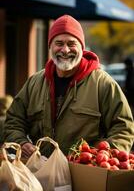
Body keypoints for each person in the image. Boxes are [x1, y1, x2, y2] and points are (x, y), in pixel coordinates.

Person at [4, 15, 134, 158]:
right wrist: (21, 142)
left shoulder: (103, 84)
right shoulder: (34, 83)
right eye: (59, 43)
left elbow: (123, 130)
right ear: (50, 47)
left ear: (82, 48)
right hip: (40, 172)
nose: (65, 50)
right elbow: (13, 121)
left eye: (72, 44)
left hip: (85, 175)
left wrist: (100, 157)